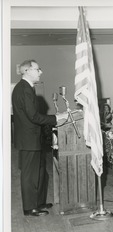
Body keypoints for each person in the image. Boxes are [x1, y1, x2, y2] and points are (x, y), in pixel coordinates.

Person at [12, 59, 68, 217]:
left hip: (32, 138)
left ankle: (38, 202)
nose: (40, 72)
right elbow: (33, 117)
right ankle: (30, 208)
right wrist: (57, 118)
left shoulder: (27, 88)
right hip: (28, 139)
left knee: (41, 171)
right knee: (30, 175)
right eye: (38, 69)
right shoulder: (24, 89)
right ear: (27, 71)